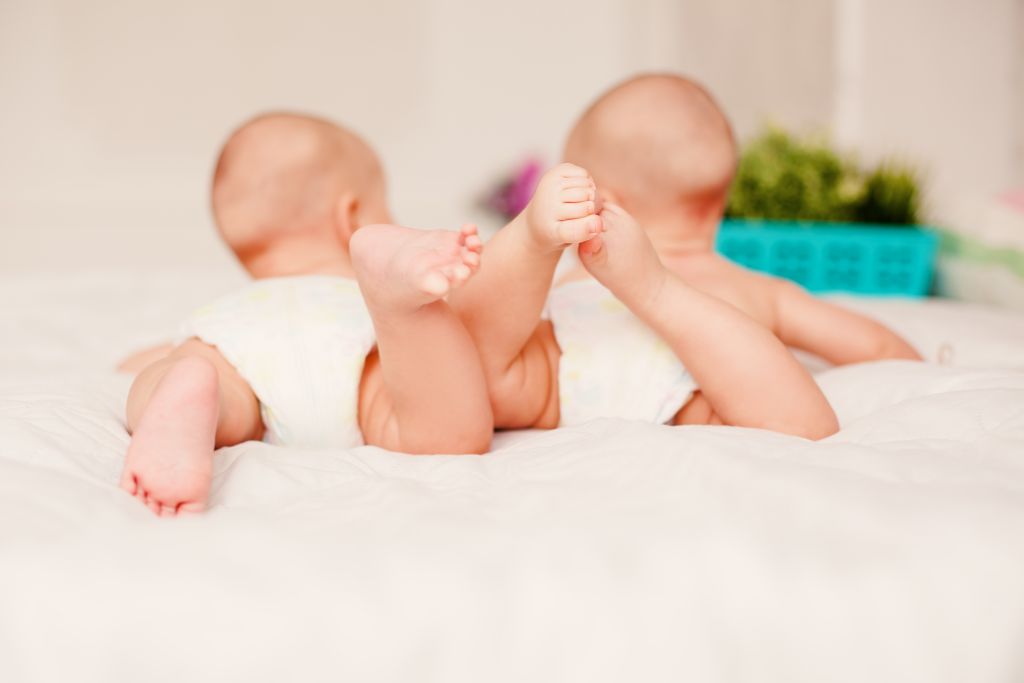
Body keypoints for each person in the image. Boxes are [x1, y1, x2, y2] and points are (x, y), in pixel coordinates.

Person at [120, 113, 493, 516]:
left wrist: (166, 361)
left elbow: (139, 359)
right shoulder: (351, 297)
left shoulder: (233, 316)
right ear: (352, 217)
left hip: (237, 342)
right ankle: (400, 305)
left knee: (200, 369)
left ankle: (182, 386)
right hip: (355, 321)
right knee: (434, 420)